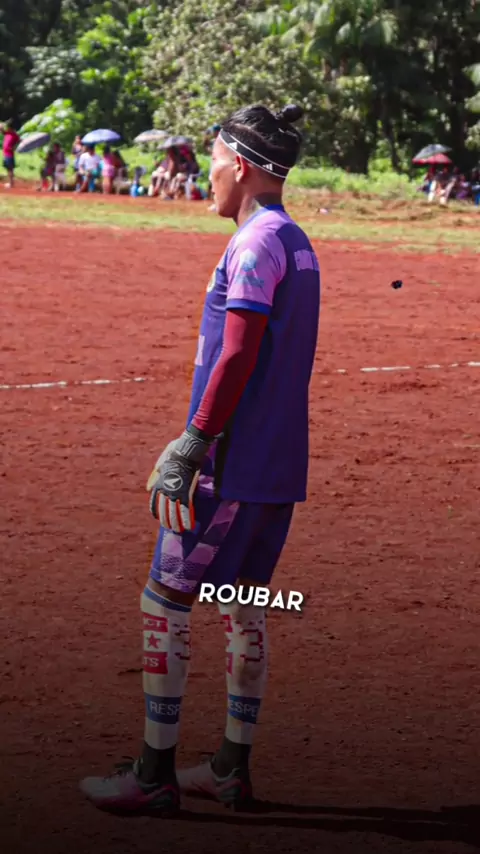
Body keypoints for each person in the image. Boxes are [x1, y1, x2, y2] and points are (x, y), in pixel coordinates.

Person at [80, 103, 320, 815]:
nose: (208, 173)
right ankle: (228, 769)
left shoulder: (255, 243)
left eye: (214, 159)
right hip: (278, 465)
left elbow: (238, 354)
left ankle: (153, 773)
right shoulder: (295, 239)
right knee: (245, 603)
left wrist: (193, 443)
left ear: (239, 166)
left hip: (232, 465)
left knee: (166, 601)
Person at [1, 120, 20, 189]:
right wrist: (1, 126)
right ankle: (10, 182)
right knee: (8, 169)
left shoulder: (14, 134)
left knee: (10, 169)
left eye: (8, 127)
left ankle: (11, 184)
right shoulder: (7, 133)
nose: (7, 128)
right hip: (5, 154)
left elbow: (19, 141)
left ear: (10, 128)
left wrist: (14, 147)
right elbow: (2, 131)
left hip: (9, 154)